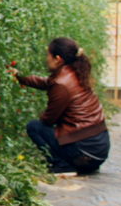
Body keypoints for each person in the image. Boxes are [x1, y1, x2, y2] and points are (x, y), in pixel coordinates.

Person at [13, 37, 109, 174]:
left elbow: (48, 119)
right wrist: (20, 77)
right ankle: (77, 163)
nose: (46, 59)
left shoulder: (61, 83)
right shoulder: (74, 73)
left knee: (35, 126)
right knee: (51, 129)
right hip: (97, 152)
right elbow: (48, 83)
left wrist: (42, 115)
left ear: (57, 59)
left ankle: (62, 165)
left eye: (48, 55)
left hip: (85, 155)